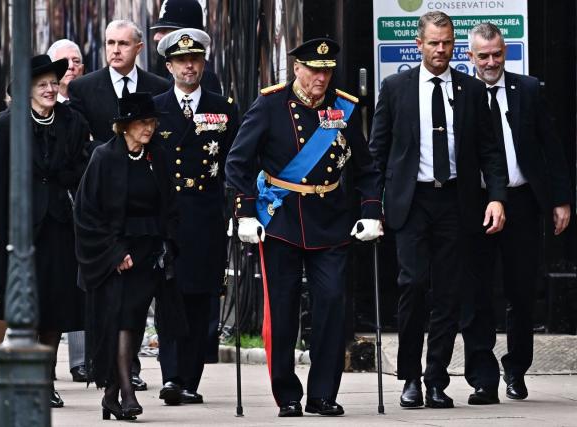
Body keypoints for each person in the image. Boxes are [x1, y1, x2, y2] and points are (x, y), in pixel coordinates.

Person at [225, 38, 383, 417]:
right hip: (281, 220)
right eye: (314, 69)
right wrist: (245, 213)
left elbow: (367, 168)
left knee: (331, 305)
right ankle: (288, 394)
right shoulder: (270, 104)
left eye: (327, 70)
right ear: (297, 68)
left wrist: (371, 211)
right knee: (283, 308)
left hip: (331, 219)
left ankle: (322, 394)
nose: (321, 77)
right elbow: (237, 162)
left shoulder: (342, 107)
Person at [368, 11, 507, 409]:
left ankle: (435, 379)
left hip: (456, 202)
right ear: (419, 44)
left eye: (446, 43)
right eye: (433, 43)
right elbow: (378, 153)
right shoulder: (395, 88)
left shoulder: (469, 90)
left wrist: (497, 196)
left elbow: (490, 152)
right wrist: (371, 206)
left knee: (449, 293)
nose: (440, 50)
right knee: (412, 284)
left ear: (454, 44)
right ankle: (409, 376)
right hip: (411, 202)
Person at [462, 22, 572, 404]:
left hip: (523, 201)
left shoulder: (527, 89)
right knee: (476, 292)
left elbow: (551, 145)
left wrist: (560, 198)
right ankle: (482, 375)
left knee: (521, 291)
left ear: (505, 51)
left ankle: (516, 368)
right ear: (469, 56)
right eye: (483, 55)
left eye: (497, 54)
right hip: (476, 205)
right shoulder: (462, 93)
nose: (491, 62)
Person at [0, 55, 90, 408]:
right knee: (21, 304)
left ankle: (44, 379)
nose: (51, 89)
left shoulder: (73, 121)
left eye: (54, 83)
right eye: (42, 84)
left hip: (57, 224)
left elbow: (81, 167)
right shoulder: (3, 124)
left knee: (54, 305)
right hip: (16, 225)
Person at [74, 92, 181, 421]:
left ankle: (110, 395)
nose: (148, 128)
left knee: (133, 321)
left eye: (151, 122)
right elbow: (87, 211)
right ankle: (127, 394)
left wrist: (167, 245)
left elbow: (169, 203)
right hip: (114, 254)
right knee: (118, 320)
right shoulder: (104, 157)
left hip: (148, 252)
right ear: (124, 126)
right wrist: (115, 251)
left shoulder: (156, 155)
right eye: (141, 123)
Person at [152, 28, 238, 405]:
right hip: (168, 214)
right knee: (170, 295)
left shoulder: (223, 107)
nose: (189, 66)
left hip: (206, 215)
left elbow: (236, 161)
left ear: (203, 63)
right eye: (181, 61)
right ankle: (171, 376)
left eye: (195, 59)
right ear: (169, 66)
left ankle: (190, 378)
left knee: (201, 298)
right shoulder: (155, 107)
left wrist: (234, 208)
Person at [47, 38, 88, 384]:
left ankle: (81, 360)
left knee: (79, 284)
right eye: (65, 63)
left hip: (84, 206)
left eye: (77, 62)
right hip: (51, 211)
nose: (73, 68)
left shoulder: (85, 106)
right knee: (56, 285)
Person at [68, 19, 171, 143]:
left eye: (123, 44)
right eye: (111, 43)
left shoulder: (160, 87)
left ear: (138, 48)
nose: (116, 50)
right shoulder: (81, 88)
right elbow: (78, 142)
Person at [150, 0, 222, 94]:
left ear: (186, 36)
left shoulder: (202, 76)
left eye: (164, 30)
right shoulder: (167, 67)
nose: (156, 37)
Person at [47, 39, 85, 104]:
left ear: (82, 69)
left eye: (76, 61)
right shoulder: (39, 105)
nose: (71, 66)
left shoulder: (92, 102)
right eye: (64, 62)